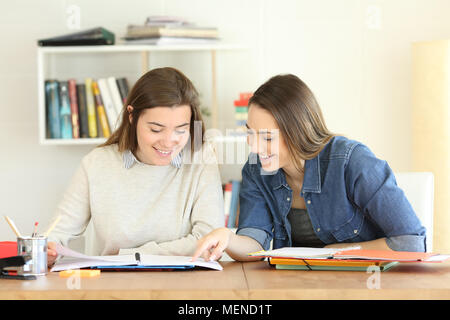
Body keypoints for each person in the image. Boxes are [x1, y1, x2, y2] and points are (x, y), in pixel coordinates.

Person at [192, 73, 426, 262]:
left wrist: (337, 252)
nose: (254, 147)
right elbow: (254, 244)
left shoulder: (352, 162)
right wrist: (227, 237)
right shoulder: (256, 170)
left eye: (267, 138)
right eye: (250, 133)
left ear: (298, 132)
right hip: (301, 288)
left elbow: (412, 242)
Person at [47, 67, 224, 266]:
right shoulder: (97, 164)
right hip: (112, 287)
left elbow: (208, 240)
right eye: (156, 129)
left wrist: (131, 256)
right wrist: (48, 249)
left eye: (181, 130)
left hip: (183, 285)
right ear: (132, 116)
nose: (168, 141)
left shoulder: (201, 160)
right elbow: (58, 232)